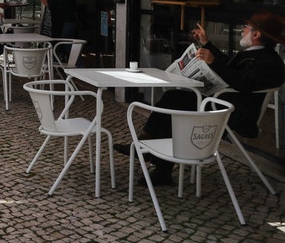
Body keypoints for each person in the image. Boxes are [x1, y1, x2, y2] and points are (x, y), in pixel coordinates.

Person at [115, 10, 285, 186]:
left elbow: (243, 83)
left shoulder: (270, 63)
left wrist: (214, 62)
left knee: (176, 106)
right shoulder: (254, 54)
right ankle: (152, 154)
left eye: (246, 27)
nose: (243, 30)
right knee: (174, 97)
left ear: (256, 34)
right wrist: (206, 44)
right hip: (221, 103)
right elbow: (229, 67)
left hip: (232, 112)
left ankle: (153, 157)